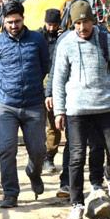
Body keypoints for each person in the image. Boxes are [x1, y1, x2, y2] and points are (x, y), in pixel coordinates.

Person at [53, 0, 110, 219]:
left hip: (105, 107)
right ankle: (77, 204)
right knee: (76, 157)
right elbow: (58, 80)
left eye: (85, 22)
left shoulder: (107, 42)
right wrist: (59, 111)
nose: (81, 27)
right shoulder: (66, 44)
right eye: (77, 23)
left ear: (93, 20)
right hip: (76, 110)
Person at [0, 0, 51, 208]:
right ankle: (10, 193)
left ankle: (33, 171)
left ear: (24, 19)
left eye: (17, 21)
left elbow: (45, 67)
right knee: (6, 149)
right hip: (7, 105)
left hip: (33, 104)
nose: (14, 25)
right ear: (4, 22)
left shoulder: (37, 40)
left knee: (39, 150)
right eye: (10, 22)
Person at [39, 9, 65, 173]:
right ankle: (36, 156)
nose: (51, 28)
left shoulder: (63, 38)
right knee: (34, 126)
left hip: (55, 85)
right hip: (36, 85)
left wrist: (62, 37)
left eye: (55, 25)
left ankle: (49, 157)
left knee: (53, 126)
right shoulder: (36, 38)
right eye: (49, 24)